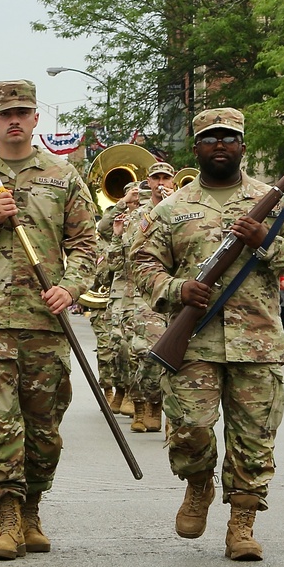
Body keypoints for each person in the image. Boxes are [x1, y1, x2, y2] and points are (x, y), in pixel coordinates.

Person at [132, 107, 284, 562]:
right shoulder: (171, 208)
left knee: (253, 438)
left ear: (243, 147)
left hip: (257, 343)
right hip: (193, 343)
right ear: (196, 148)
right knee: (190, 429)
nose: (221, 144)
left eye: (229, 138)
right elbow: (142, 263)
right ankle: (198, 484)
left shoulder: (273, 202)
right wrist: (177, 288)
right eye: (211, 138)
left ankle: (242, 524)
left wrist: (264, 241)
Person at [0, 79, 96, 560]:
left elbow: (89, 246)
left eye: (23, 112)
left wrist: (70, 288)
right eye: (5, 113)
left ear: (35, 119)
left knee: (44, 428)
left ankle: (33, 508)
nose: (14, 120)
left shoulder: (63, 176)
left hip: (45, 322)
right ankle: (7, 518)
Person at [122, 161, 175, 433]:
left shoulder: (184, 207)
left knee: (181, 354)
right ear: (149, 182)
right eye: (156, 178)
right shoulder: (140, 214)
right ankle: (147, 401)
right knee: (146, 351)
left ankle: (166, 411)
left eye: (166, 177)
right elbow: (130, 246)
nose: (161, 183)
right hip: (148, 292)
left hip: (180, 289)